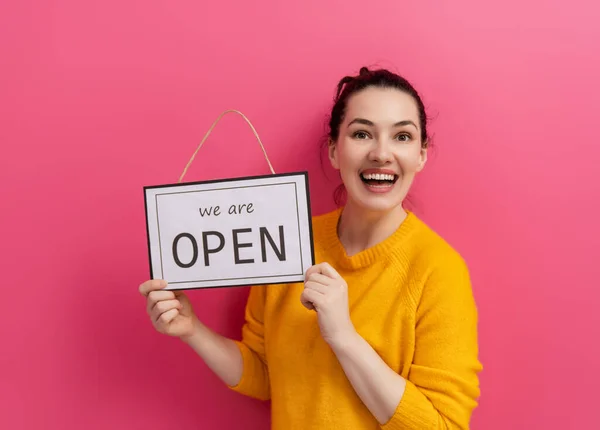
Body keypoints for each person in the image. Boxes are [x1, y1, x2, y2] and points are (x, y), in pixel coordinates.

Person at [139, 67, 482, 429]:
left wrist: (343, 337)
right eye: (362, 133)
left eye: (402, 136)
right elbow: (265, 373)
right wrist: (192, 329)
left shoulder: (439, 269)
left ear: (421, 156)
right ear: (334, 151)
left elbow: (443, 425)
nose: (382, 153)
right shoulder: (288, 240)